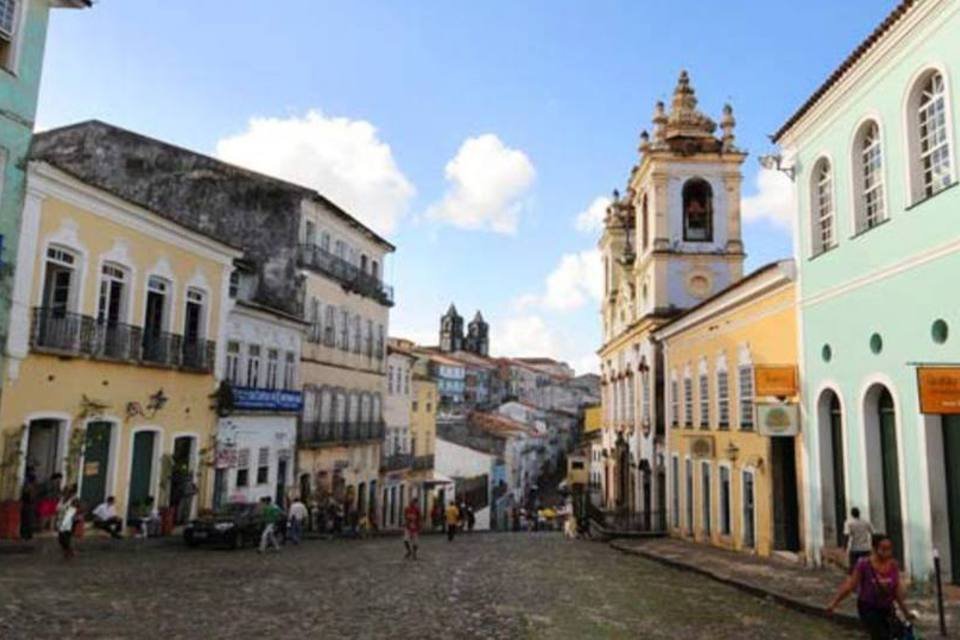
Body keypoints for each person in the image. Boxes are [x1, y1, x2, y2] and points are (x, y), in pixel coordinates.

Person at [827, 534, 914, 639]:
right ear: (875, 549)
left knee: (899, 634)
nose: (888, 552)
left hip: (887, 607)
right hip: (868, 607)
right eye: (884, 549)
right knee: (881, 635)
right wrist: (834, 603)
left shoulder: (893, 566)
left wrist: (906, 612)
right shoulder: (864, 564)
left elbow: (897, 592)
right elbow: (851, 585)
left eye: (889, 549)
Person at [843, 507, 874, 574]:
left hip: (855, 548)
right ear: (859, 513)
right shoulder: (866, 522)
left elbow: (847, 536)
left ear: (851, 514)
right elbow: (872, 532)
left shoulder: (849, 523)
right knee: (867, 567)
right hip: (866, 548)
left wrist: (845, 546)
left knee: (854, 567)